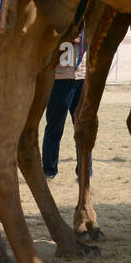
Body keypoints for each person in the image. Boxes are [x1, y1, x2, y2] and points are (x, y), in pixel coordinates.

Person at [42, 28, 88, 179]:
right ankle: (49, 169)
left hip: (82, 78)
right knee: (54, 127)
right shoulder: (60, 19)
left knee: (83, 128)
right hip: (59, 79)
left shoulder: (88, 23)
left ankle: (85, 170)